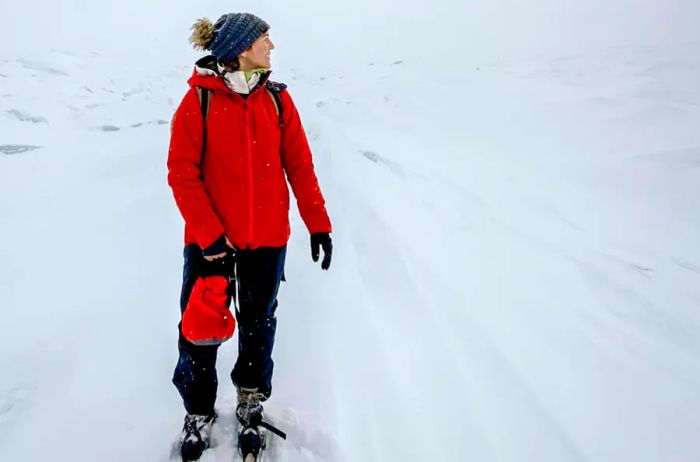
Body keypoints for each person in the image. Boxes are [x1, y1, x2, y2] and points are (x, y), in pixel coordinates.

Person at [166, 12, 333, 461]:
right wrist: (210, 235)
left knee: (259, 325)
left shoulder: (278, 101)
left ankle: (250, 400)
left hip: (267, 240)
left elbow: (299, 166)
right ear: (242, 49)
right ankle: (198, 411)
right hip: (211, 244)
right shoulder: (197, 103)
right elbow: (182, 175)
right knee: (200, 330)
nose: (271, 47)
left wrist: (319, 223)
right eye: (264, 40)